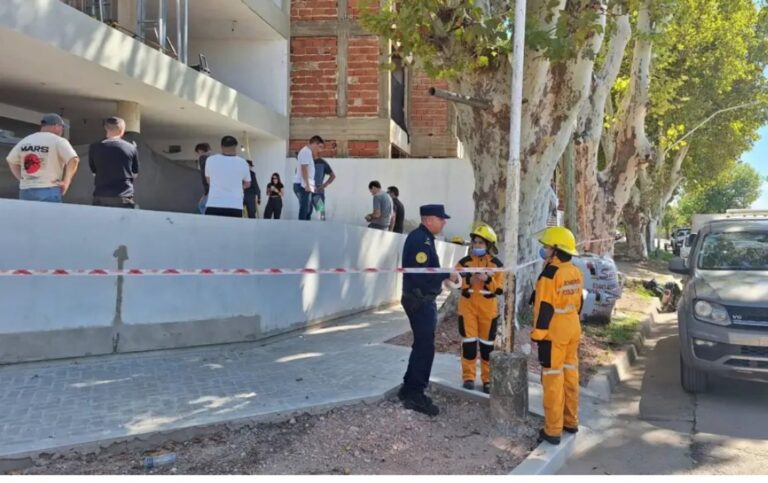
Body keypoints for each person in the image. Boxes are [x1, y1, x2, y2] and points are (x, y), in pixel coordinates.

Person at [398, 204, 460, 416]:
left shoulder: (423, 238)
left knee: (422, 345)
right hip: (420, 301)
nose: (444, 222)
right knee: (425, 348)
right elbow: (422, 274)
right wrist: (445, 275)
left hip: (420, 299)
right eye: (441, 219)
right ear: (429, 220)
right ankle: (415, 394)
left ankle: (409, 387)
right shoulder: (420, 240)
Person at [530, 226, 584, 445]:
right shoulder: (574, 271)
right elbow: (579, 302)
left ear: (556, 250)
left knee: (552, 379)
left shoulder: (550, 275)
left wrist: (537, 335)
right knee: (571, 374)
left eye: (546, 246)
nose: (544, 249)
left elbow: (544, 308)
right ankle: (570, 421)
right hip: (572, 326)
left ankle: (552, 430)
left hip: (554, 331)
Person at [455, 224, 504, 393]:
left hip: (488, 312)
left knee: (486, 347)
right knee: (468, 345)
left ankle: (487, 380)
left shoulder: (496, 265)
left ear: (489, 245)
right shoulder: (464, 262)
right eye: (474, 242)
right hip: (467, 308)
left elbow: (500, 289)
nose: (476, 246)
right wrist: (463, 278)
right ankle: (468, 377)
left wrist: (488, 280)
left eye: (480, 243)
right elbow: (456, 282)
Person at [5, 113, 79, 202]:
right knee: (49, 215)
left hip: (26, 190)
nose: (62, 130)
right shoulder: (58, 141)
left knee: (27, 216)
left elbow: (11, 160)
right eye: (62, 127)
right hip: (49, 188)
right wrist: (66, 182)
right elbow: (74, 159)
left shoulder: (26, 140)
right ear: (56, 126)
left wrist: (22, 179)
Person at [88, 117, 139, 209]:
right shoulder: (131, 148)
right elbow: (135, 174)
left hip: (100, 196)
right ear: (122, 130)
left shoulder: (94, 147)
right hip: (123, 197)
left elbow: (94, 173)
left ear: (106, 129)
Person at [204, 135, 250, 218]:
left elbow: (208, 180)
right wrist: (237, 187)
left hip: (214, 204)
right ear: (235, 146)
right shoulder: (243, 163)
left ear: (221, 146)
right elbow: (247, 184)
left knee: (212, 230)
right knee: (233, 230)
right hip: (235, 205)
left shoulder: (210, 160)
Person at [293, 136, 324, 220]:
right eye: (319, 147)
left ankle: (306, 227)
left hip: (306, 185)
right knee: (305, 209)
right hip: (302, 186)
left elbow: (308, 172)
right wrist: (307, 184)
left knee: (308, 210)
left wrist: (311, 185)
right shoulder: (305, 152)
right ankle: (302, 229)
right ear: (314, 144)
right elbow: (304, 169)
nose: (320, 150)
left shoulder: (308, 153)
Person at [195, 142, 212, 214]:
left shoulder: (203, 158)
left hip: (210, 188)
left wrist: (207, 190)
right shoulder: (213, 158)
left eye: (198, 152)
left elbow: (204, 174)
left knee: (202, 205)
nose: (198, 154)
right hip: (215, 187)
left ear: (200, 150)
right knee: (203, 205)